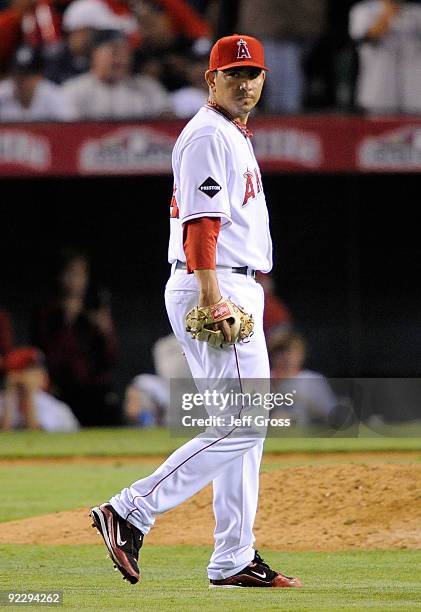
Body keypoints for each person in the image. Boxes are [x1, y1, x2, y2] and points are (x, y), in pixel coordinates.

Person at [90, 34, 302, 589]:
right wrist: (213, 295)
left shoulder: (231, 132)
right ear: (210, 80)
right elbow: (201, 226)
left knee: (242, 430)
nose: (245, 83)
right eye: (233, 74)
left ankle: (233, 557)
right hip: (215, 284)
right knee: (243, 423)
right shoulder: (208, 133)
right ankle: (130, 509)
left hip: (231, 282)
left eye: (253, 73)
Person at [30, 248, 120, 427]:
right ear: (60, 276)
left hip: (95, 392)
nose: (75, 281)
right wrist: (67, 321)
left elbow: (111, 359)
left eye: (80, 274)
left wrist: (105, 332)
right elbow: (50, 359)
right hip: (61, 391)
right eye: (70, 274)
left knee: (109, 407)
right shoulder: (48, 314)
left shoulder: (92, 313)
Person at [61, 28, 171, 120]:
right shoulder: (73, 90)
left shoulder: (148, 87)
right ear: (94, 54)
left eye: (125, 52)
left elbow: (168, 122)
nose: (121, 58)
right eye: (114, 52)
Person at [349, 0, 421, 114]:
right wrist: (387, 15)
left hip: (414, 92)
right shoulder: (364, 10)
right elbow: (364, 39)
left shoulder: (416, 11)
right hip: (378, 89)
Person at [0, 346, 80, 431]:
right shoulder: (3, 402)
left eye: (38, 369)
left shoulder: (55, 407)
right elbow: (4, 432)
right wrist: (10, 396)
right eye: (29, 370)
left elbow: (38, 432)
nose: (39, 375)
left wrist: (29, 394)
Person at [0, 45, 76, 121]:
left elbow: (72, 126)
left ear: (39, 76)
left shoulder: (54, 96)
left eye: (27, 75)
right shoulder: (2, 93)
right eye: (17, 75)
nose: (21, 80)